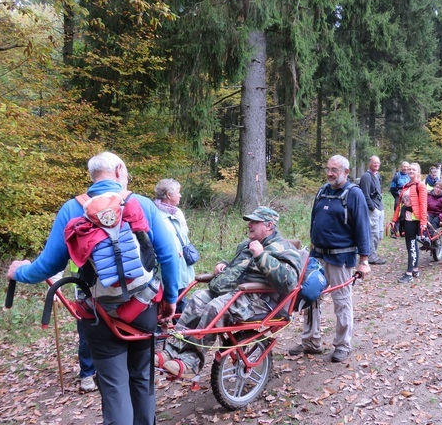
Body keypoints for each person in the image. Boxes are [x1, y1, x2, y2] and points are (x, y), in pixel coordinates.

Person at [7, 151, 179, 425]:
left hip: (99, 315)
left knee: (113, 387)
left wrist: (19, 272)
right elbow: (169, 256)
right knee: (142, 379)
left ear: (92, 176)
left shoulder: (72, 210)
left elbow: (47, 266)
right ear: (120, 170)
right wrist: (170, 300)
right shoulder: (142, 204)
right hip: (143, 308)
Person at [158, 207, 302, 377]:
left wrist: (262, 256)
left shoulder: (284, 249)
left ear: (269, 225)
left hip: (260, 300)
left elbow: (288, 283)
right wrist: (222, 265)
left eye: (254, 222)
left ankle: (191, 362)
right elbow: (236, 265)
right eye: (250, 221)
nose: (249, 225)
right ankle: (171, 351)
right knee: (197, 298)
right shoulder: (246, 245)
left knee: (216, 307)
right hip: (234, 293)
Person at [289, 155, 371, 363]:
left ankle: (343, 345)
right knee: (310, 298)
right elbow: (314, 220)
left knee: (341, 302)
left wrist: (364, 260)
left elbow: (363, 228)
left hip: (340, 258)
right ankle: (311, 342)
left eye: (334, 169)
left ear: (346, 172)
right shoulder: (322, 191)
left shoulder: (354, 195)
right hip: (317, 255)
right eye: (328, 169)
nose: (329, 173)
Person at [154, 178, 195, 315]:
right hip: (164, 265)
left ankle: (182, 333)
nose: (180, 195)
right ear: (168, 195)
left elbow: (185, 235)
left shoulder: (177, 212)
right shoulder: (154, 215)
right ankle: (160, 334)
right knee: (160, 302)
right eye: (178, 192)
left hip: (182, 264)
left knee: (181, 300)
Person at [391, 163, 427, 283]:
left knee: (411, 245)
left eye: (414, 169)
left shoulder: (420, 185)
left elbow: (423, 204)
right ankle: (415, 269)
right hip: (406, 217)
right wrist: (394, 220)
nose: (411, 171)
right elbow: (399, 205)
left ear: (418, 172)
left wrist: (423, 222)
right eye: (410, 169)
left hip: (414, 219)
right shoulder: (407, 185)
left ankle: (409, 273)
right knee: (411, 245)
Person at [359, 156, 386, 264]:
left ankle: (373, 254)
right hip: (372, 209)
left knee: (379, 233)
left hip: (379, 207)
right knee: (372, 233)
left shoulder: (377, 175)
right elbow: (365, 194)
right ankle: (371, 256)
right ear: (369, 163)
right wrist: (372, 208)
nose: (376, 164)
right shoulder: (366, 176)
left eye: (378, 163)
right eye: (374, 162)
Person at [389, 161, 411, 237]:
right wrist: (396, 196)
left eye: (407, 166)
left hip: (408, 197)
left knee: (405, 213)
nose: (405, 168)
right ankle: (394, 231)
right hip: (399, 196)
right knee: (397, 213)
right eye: (404, 166)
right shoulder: (397, 176)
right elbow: (392, 188)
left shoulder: (410, 176)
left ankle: (403, 231)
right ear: (401, 167)